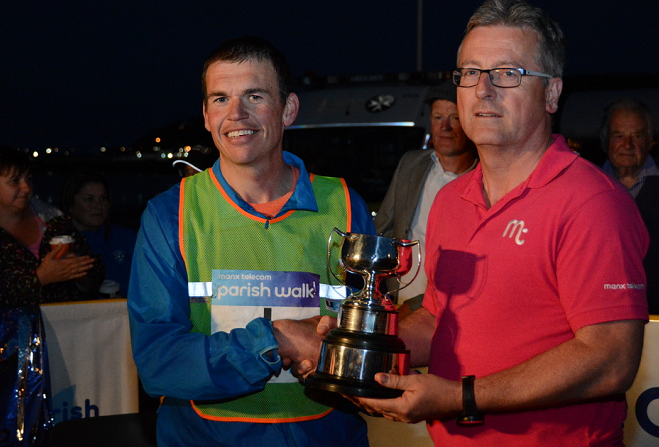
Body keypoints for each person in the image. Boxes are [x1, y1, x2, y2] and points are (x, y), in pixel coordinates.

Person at [301, 1, 649, 446]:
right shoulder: (451, 200)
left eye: (507, 73)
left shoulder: (592, 202)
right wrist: (357, 341)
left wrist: (460, 397)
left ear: (552, 93)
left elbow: (611, 358)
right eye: (469, 72)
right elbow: (438, 321)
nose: (483, 90)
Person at [127, 36, 374, 446]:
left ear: (288, 109)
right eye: (220, 99)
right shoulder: (170, 214)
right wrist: (275, 339)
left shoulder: (345, 206)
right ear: (206, 115)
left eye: (254, 96)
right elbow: (158, 362)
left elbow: (369, 334)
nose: (236, 114)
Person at [0, 145, 103, 446]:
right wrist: (40, 279)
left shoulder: (52, 220)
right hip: (9, 360)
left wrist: (80, 274)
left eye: (29, 179)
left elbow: (95, 269)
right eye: (14, 181)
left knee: (70, 425)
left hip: (65, 346)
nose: (26, 188)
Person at [374, 79, 477, 315]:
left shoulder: (485, 180)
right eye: (438, 117)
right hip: (398, 305)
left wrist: (416, 307)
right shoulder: (411, 164)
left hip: (453, 310)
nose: (445, 127)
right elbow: (383, 228)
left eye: (455, 118)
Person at [600, 97, 659, 315]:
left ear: (649, 140)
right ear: (605, 140)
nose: (627, 145)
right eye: (619, 136)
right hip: (603, 312)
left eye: (637, 136)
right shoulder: (584, 187)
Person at [60, 172, 137, 297]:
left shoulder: (127, 238)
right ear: (70, 205)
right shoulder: (60, 245)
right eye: (89, 199)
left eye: (103, 198)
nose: (98, 206)